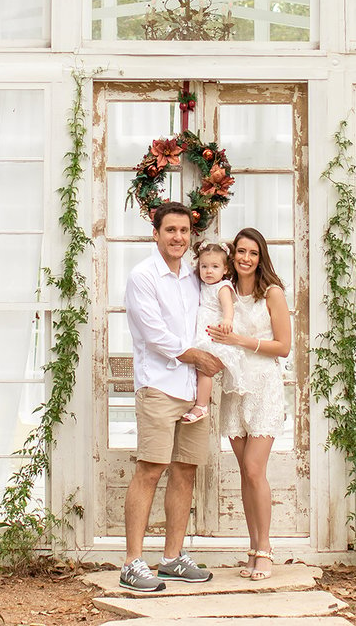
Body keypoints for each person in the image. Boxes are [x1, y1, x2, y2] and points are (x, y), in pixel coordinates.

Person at [119, 201, 223, 594]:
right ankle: (132, 563)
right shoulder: (143, 276)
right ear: (156, 233)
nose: (178, 237)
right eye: (171, 231)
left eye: (184, 231)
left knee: (185, 471)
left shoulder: (196, 278)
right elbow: (154, 335)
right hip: (159, 387)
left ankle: (172, 560)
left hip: (193, 391)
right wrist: (198, 356)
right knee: (150, 468)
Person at [207, 226, 290, 582]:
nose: (245, 258)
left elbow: (283, 347)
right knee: (245, 473)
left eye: (252, 253)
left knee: (255, 469)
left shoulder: (272, 293)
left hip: (264, 387)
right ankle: (253, 547)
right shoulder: (222, 292)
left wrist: (241, 340)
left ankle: (266, 549)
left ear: (261, 258)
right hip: (234, 388)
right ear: (232, 255)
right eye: (240, 251)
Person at [180, 241, 247, 424]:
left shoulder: (222, 287)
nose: (209, 271)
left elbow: (228, 307)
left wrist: (227, 320)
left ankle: (201, 406)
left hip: (213, 334)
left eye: (215, 267)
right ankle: (197, 400)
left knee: (204, 370)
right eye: (204, 266)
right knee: (198, 369)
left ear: (225, 269)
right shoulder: (201, 285)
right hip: (200, 333)